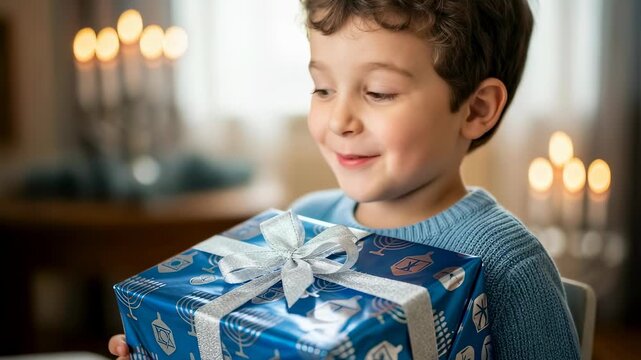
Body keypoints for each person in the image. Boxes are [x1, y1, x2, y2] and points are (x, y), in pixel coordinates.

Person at [110, 0, 581, 359]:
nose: (339, 121)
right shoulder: (300, 225)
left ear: (476, 109)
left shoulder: (508, 265)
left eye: (378, 92)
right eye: (322, 88)